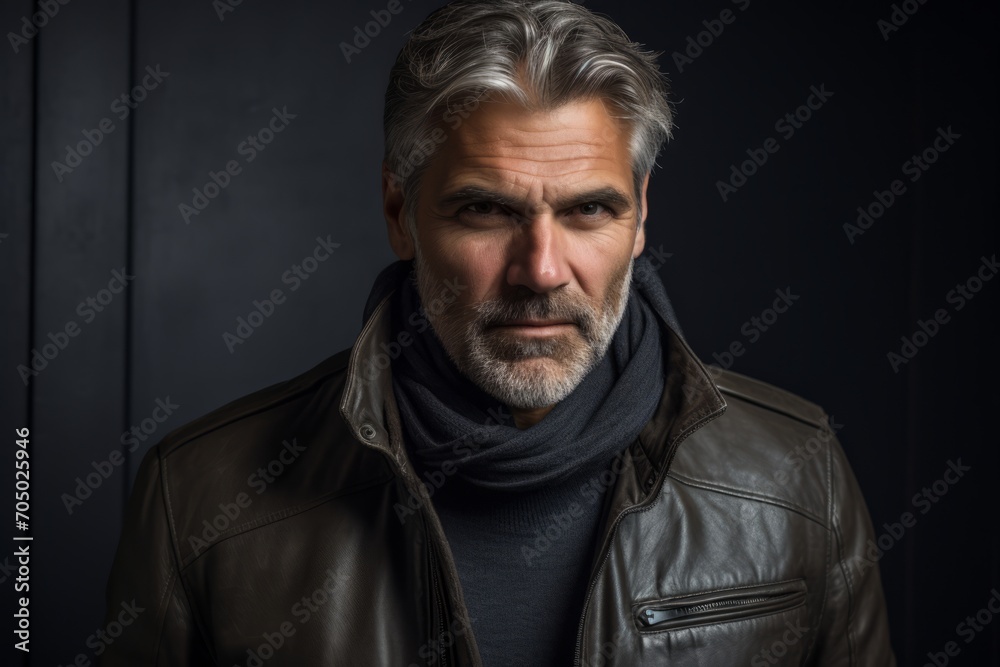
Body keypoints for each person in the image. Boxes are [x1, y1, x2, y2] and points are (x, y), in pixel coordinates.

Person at [100, 1, 895, 664]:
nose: (541, 269)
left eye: (589, 209)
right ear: (397, 212)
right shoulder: (200, 498)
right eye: (487, 209)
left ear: (642, 214)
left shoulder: (796, 477)